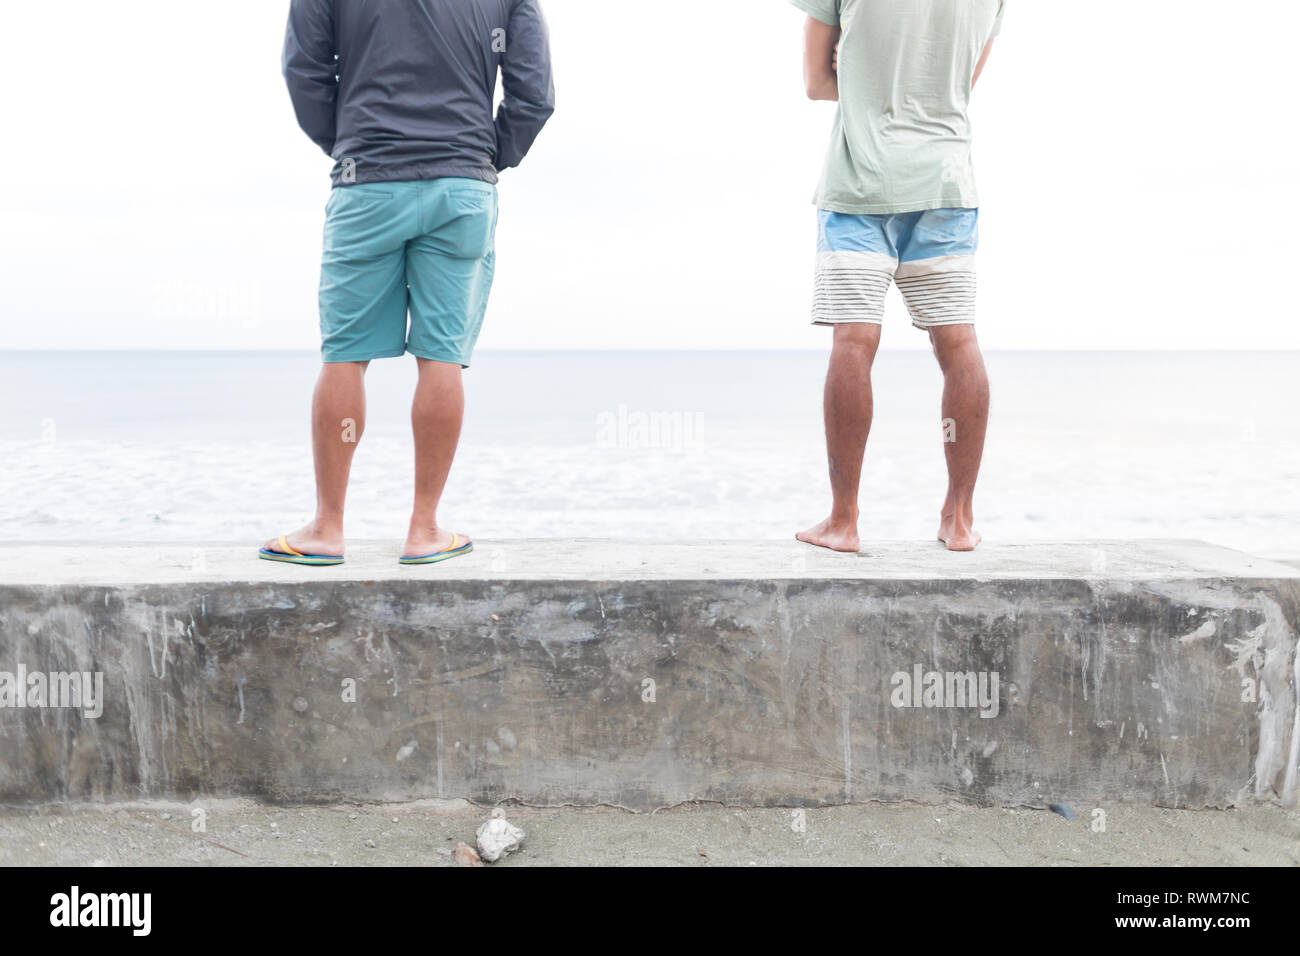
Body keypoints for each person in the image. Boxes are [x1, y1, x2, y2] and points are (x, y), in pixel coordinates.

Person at [263, 0, 554, 567]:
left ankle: (327, 529)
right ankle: (424, 530)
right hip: (461, 185)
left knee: (345, 356)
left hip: (367, 180)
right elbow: (534, 94)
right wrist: (484, 155)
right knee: (441, 357)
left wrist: (351, 142)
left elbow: (305, 70)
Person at [792, 0, 1004, 553]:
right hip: (947, 183)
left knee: (854, 340)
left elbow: (817, 82)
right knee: (959, 342)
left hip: (861, 184)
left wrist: (861, 71)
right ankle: (958, 520)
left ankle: (843, 521)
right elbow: (957, 88)